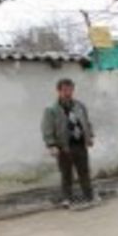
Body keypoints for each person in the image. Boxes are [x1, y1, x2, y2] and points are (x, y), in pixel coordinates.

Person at [41, 78, 97, 208]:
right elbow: (47, 128)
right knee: (66, 173)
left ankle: (88, 195)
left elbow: (86, 122)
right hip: (63, 147)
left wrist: (90, 137)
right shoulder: (51, 109)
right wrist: (51, 145)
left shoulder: (79, 106)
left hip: (79, 144)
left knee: (84, 171)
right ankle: (67, 198)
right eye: (65, 90)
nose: (68, 92)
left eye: (70, 89)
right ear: (59, 91)